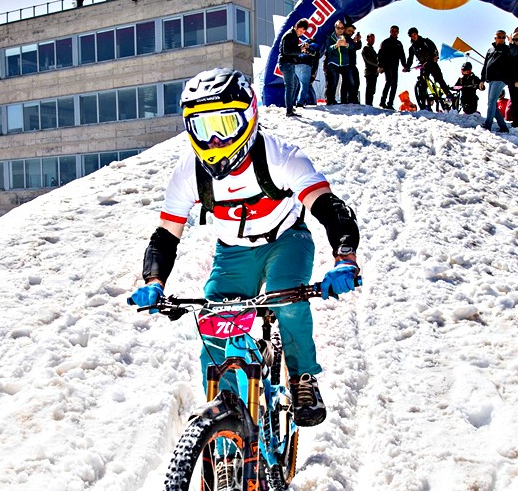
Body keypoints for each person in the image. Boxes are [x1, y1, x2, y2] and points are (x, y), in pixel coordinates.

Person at [129, 68, 362, 429]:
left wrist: (344, 258)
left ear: (249, 117)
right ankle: (225, 433)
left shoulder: (281, 157)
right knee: (212, 323)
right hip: (234, 251)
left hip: (287, 239)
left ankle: (302, 378)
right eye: (202, 129)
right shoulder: (190, 172)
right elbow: (166, 234)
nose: (215, 142)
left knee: (288, 298)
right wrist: (154, 281)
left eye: (225, 125)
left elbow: (329, 207)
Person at [406, 28, 446, 111]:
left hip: (431, 62)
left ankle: (448, 94)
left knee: (439, 79)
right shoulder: (412, 48)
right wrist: (407, 67)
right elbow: (410, 59)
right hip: (423, 65)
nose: (413, 37)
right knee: (422, 84)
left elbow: (434, 49)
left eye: (414, 34)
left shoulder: (426, 41)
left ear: (417, 34)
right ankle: (424, 105)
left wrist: (435, 57)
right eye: (411, 36)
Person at [278, 19, 311, 116]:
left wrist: (301, 46)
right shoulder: (289, 35)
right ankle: (289, 110)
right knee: (290, 86)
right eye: (300, 31)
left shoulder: (294, 36)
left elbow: (292, 49)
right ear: (296, 27)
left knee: (295, 84)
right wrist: (300, 49)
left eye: (303, 32)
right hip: (286, 63)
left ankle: (290, 106)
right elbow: (286, 51)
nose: (301, 34)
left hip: (289, 63)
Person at [480, 29, 511, 132]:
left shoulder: (507, 49)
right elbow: (485, 65)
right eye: (499, 37)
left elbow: (514, 56)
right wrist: (482, 79)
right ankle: (503, 127)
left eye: (503, 37)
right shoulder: (490, 50)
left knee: (492, 102)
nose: (501, 39)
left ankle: (487, 124)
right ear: (495, 38)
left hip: (501, 79)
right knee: (491, 103)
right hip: (491, 79)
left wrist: (512, 44)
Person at [377, 26, 407, 110]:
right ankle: (382, 102)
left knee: (394, 84)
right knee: (389, 82)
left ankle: (390, 103)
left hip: (395, 66)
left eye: (396, 31)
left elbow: (402, 56)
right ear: (390, 32)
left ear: (398, 32)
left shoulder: (399, 43)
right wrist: (380, 66)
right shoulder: (385, 42)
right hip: (386, 65)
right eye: (392, 31)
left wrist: (405, 66)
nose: (394, 32)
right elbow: (380, 54)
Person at [321, 19, 347, 105]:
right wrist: (336, 45)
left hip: (342, 64)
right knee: (333, 81)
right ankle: (330, 100)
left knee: (343, 81)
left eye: (342, 28)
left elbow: (353, 46)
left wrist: (347, 44)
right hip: (332, 62)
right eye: (338, 28)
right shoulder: (330, 37)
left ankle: (339, 99)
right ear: (335, 28)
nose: (340, 30)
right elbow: (328, 49)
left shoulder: (345, 38)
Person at [339, 24, 361, 104]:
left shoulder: (348, 39)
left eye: (352, 32)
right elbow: (356, 47)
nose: (351, 33)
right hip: (348, 64)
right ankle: (350, 99)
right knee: (352, 81)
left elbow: (356, 46)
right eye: (349, 31)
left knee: (348, 81)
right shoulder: (344, 38)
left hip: (350, 63)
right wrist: (356, 41)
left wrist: (357, 41)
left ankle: (346, 99)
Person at [361, 33, 381, 106]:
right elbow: (368, 60)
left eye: (373, 38)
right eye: (371, 38)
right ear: (367, 39)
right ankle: (368, 104)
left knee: (372, 89)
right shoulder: (366, 48)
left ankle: (370, 103)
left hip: (374, 72)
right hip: (369, 72)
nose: (372, 40)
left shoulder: (372, 49)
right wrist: (378, 65)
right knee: (369, 89)